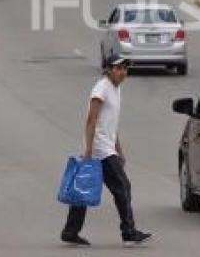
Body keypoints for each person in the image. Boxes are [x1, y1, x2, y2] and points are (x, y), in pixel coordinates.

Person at [61, 55, 152, 247]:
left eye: (125, 69)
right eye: (118, 68)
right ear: (109, 69)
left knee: (84, 188)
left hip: (106, 147)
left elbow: (111, 124)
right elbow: (91, 120)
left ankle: (70, 231)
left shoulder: (115, 90)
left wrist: (119, 150)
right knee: (123, 187)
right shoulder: (101, 88)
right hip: (99, 149)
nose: (122, 72)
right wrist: (88, 151)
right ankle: (128, 232)